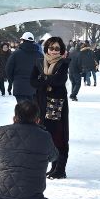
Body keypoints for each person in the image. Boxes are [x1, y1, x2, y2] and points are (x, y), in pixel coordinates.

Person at [0, 100, 70, 199]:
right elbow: (54, 156)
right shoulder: (45, 137)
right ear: (37, 120)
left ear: (14, 118)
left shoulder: (3, 131)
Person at [30, 37, 70, 179]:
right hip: (41, 103)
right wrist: (46, 81)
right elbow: (32, 81)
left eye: (57, 48)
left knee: (59, 135)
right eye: (51, 48)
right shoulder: (39, 62)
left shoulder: (63, 63)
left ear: (61, 50)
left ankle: (60, 168)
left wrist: (44, 80)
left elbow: (60, 80)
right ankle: (52, 166)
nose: (53, 51)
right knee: (46, 135)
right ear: (46, 48)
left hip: (57, 104)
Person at [6, 31, 44, 103]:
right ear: (33, 41)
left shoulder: (15, 54)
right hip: (34, 88)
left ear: (23, 40)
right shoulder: (39, 55)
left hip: (19, 87)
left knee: (22, 110)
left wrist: (14, 80)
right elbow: (44, 71)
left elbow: (8, 69)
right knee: (33, 111)